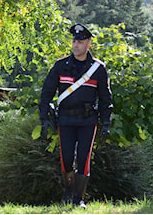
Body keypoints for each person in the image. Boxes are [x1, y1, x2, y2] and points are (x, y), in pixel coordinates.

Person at [38, 23, 112, 209]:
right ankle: (68, 190)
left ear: (88, 44)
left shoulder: (98, 69)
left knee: (84, 158)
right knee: (67, 158)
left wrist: (105, 123)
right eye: (74, 41)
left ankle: (79, 198)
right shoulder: (61, 66)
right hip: (66, 119)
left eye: (80, 41)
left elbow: (105, 98)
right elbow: (46, 94)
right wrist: (44, 119)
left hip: (88, 120)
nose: (76, 44)